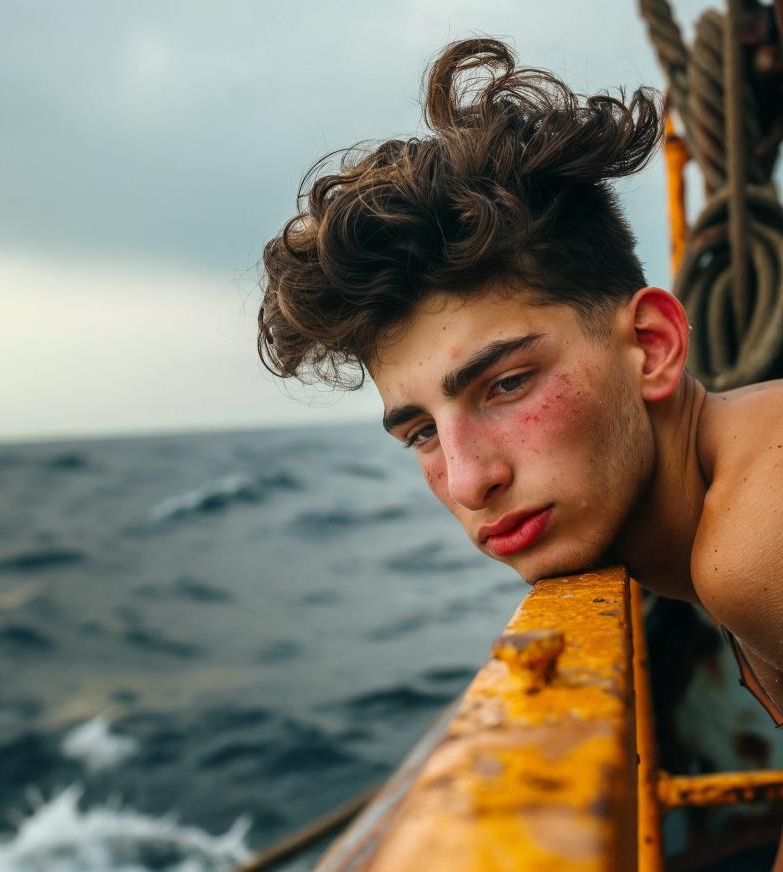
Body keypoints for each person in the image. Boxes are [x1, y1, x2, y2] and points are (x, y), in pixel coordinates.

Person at [257, 39, 783, 747]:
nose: (470, 480)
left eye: (506, 384)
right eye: (419, 432)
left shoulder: (754, 547)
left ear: (653, 346)